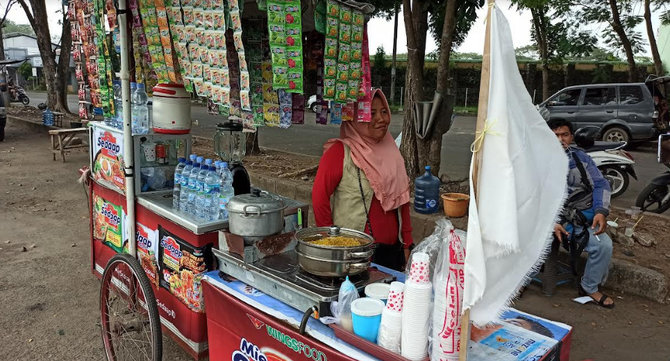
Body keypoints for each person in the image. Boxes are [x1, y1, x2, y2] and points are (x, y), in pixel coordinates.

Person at [312, 89, 413, 271]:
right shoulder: (339, 153)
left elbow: (402, 200)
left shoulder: (392, 152)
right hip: (353, 256)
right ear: (355, 118)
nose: (381, 119)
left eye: (384, 112)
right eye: (371, 113)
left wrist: (407, 244)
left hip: (392, 254)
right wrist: (332, 244)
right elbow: (319, 199)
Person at [548, 119, 614, 309]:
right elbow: (530, 198)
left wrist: (601, 211)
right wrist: (550, 222)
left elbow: (601, 184)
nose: (560, 140)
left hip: (580, 218)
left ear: (571, 137)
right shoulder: (535, 163)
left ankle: (589, 287)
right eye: (554, 136)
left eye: (564, 135)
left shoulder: (581, 158)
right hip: (548, 219)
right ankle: (518, 283)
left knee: (604, 246)